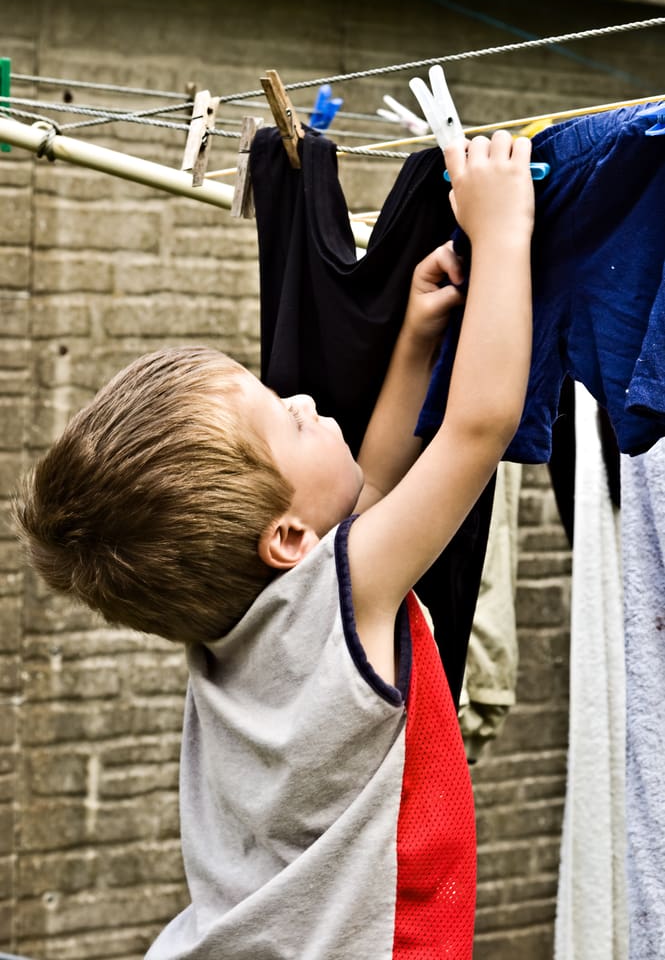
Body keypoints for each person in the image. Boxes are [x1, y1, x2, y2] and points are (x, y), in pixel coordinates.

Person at [14, 131, 534, 959]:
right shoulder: (338, 596)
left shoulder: (242, 628)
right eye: (284, 417)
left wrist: (413, 343)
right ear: (287, 538)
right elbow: (477, 429)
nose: (299, 396)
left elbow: (371, 490)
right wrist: (504, 228)